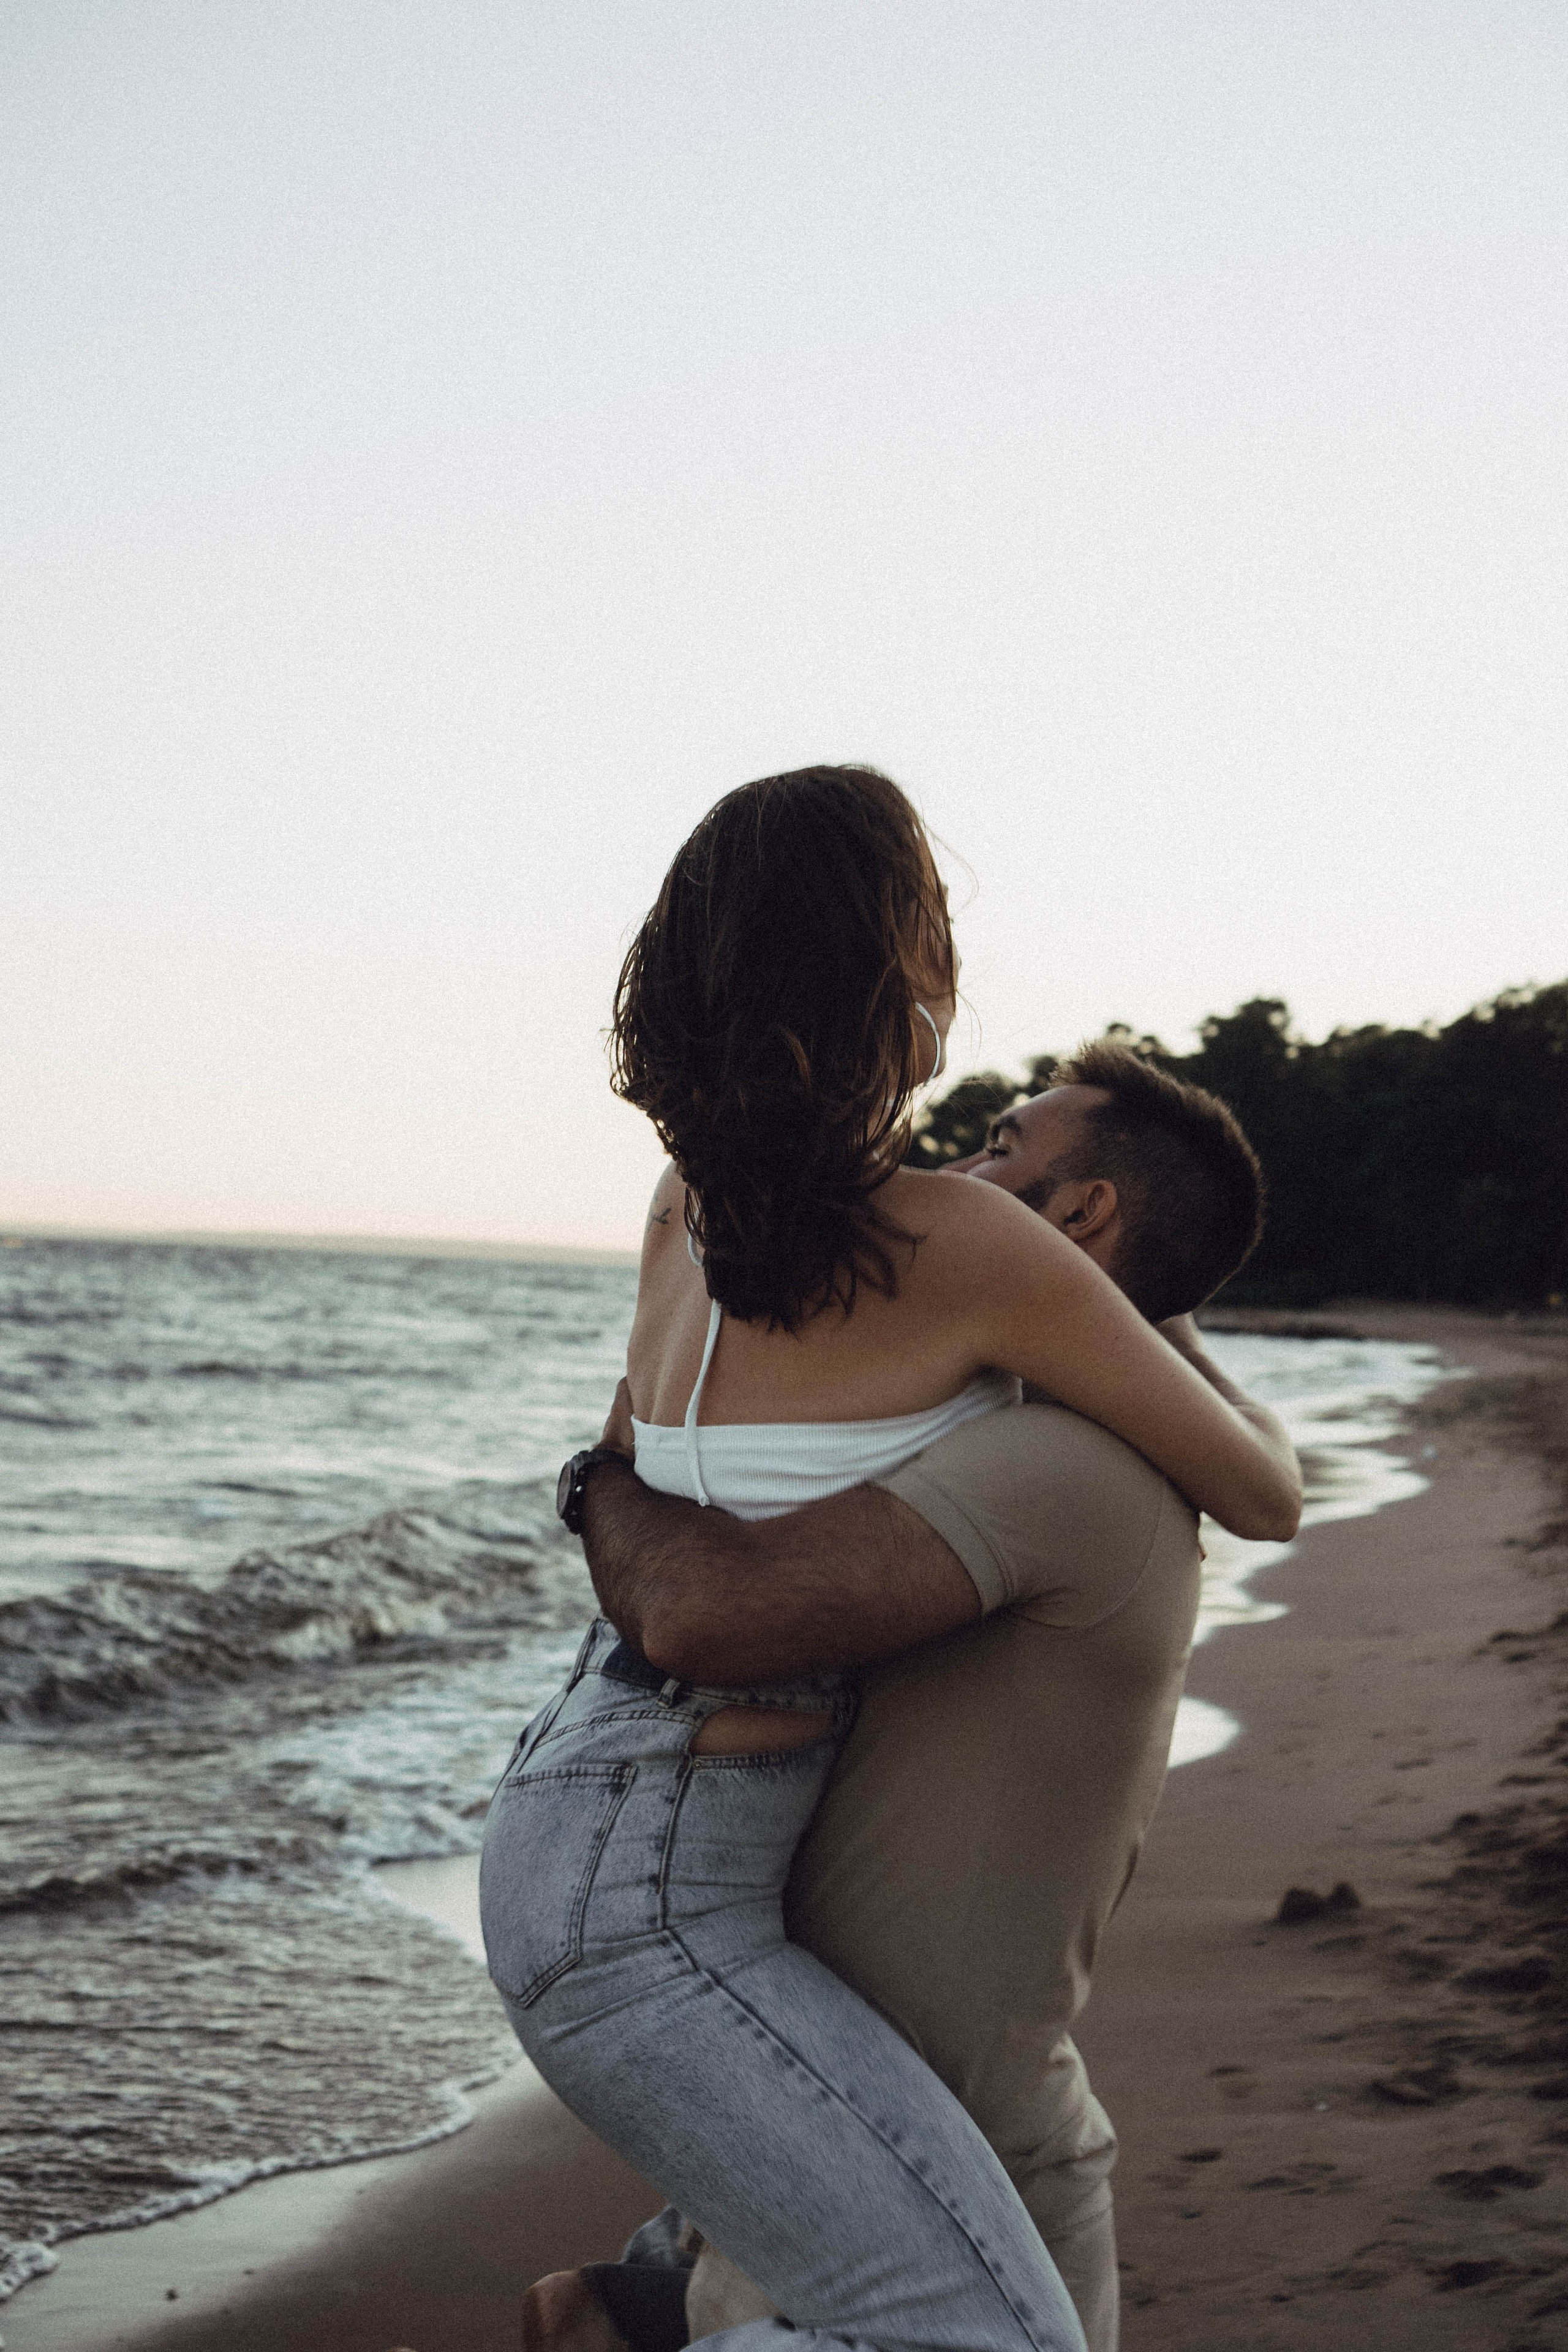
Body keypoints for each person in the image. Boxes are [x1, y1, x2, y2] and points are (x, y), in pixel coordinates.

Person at [480, 767, 1301, 2352]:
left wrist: (588, 1486)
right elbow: (1262, 1493)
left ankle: (637, 2310)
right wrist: (1146, 1306)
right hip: (658, 1882)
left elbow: (625, 1463)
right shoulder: (976, 1253)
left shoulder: (681, 1213)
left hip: (573, 1807)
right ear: (902, 973)